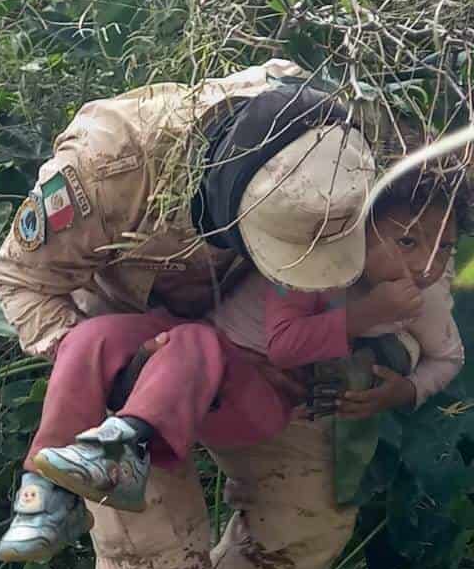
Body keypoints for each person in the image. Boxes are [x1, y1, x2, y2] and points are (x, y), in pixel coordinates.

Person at [0, 59, 405, 569]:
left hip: (251, 353)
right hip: (121, 366)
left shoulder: (331, 134)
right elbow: (18, 280)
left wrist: (371, 348)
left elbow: (383, 250)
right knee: (159, 566)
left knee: (308, 522)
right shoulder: (109, 165)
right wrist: (117, 372)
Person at [27, 158, 464, 517]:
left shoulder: (422, 301)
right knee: (95, 336)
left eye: (445, 247)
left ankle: (121, 461)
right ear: (358, 228)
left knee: (197, 343)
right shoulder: (314, 259)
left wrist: (405, 390)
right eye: (407, 242)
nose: (427, 265)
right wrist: (364, 315)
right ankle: (43, 495)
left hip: (252, 397)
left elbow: (447, 357)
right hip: (193, 347)